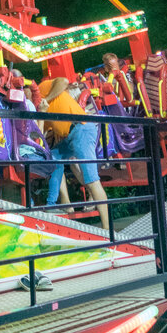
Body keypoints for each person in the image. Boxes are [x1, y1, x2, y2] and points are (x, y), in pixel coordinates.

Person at [39, 78, 109, 231]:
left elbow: (63, 81)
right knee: (53, 158)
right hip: (69, 137)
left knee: (92, 180)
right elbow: (42, 134)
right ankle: (61, 204)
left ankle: (108, 230)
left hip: (80, 128)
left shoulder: (43, 88)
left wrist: (47, 99)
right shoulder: (40, 108)